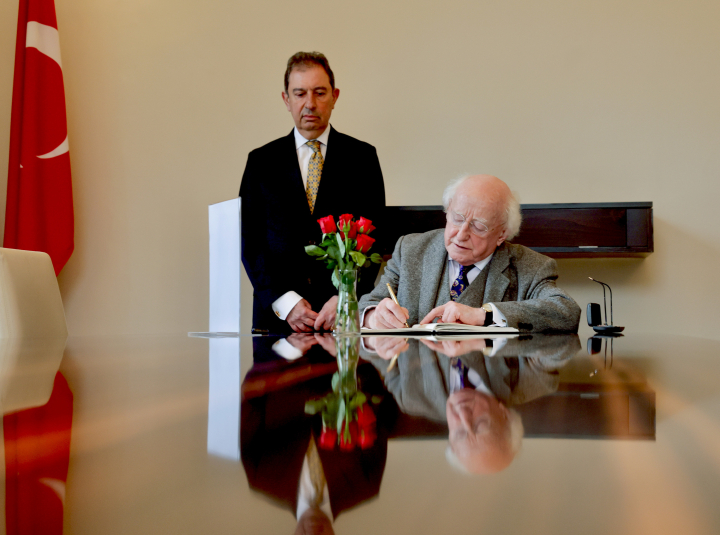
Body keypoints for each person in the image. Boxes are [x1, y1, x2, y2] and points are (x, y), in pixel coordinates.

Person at [240, 51, 386, 334]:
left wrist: (346, 298)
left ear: (335, 96)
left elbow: (375, 238)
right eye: (300, 93)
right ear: (286, 99)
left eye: (320, 93)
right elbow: (250, 241)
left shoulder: (363, 158)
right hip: (277, 322)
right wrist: (286, 302)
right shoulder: (261, 162)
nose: (310, 104)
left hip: (341, 319)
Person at [358, 174, 580, 332]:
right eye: (457, 218)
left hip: (489, 388)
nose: (461, 234)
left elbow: (566, 311)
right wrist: (372, 316)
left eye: (479, 226)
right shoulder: (411, 250)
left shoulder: (530, 267)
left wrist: (484, 315)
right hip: (426, 392)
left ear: (502, 234)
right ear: (447, 211)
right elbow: (365, 305)